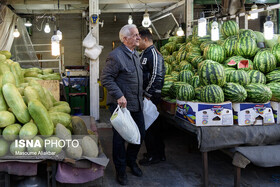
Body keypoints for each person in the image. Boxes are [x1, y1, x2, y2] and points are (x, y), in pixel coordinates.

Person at [101, 24, 145, 186]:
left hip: (137, 103)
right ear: (125, 39)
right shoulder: (116, 56)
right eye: (135, 35)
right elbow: (106, 78)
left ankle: (131, 162)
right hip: (122, 106)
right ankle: (120, 170)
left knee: (139, 135)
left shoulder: (135, 55)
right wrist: (119, 95)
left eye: (138, 34)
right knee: (120, 139)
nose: (138, 37)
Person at [138, 29, 166, 166]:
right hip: (146, 95)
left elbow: (157, 76)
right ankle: (157, 153)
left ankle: (154, 155)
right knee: (151, 126)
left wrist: (148, 95)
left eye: (139, 40)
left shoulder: (154, 54)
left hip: (151, 97)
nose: (137, 43)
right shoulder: (144, 53)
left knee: (150, 127)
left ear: (145, 39)